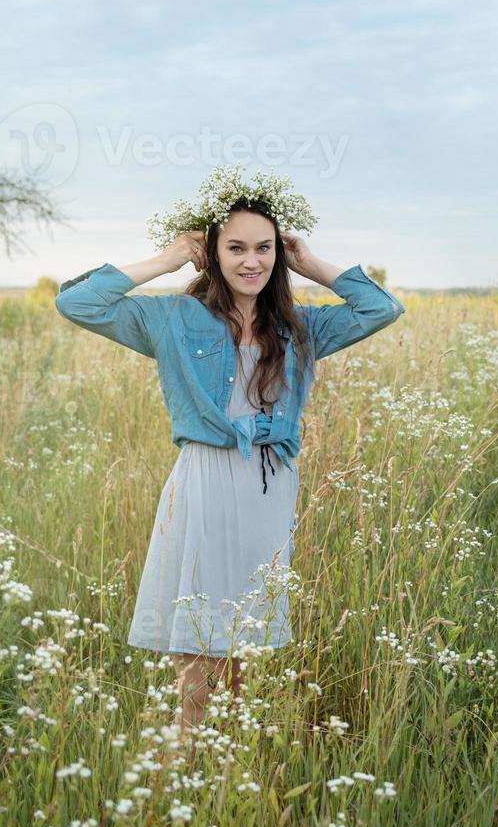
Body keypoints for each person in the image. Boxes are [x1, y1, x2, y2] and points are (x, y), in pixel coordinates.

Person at [54, 195, 406, 738]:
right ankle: (183, 769)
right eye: (235, 247)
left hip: (268, 488)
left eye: (264, 248)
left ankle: (223, 775)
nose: (251, 261)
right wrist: (167, 259)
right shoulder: (172, 319)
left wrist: (309, 264)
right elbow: (79, 302)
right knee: (197, 655)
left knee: (243, 649)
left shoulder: (300, 328)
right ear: (212, 254)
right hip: (206, 480)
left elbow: (380, 308)